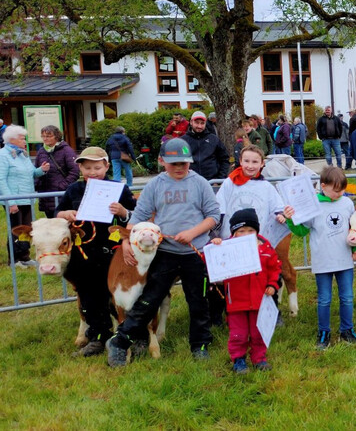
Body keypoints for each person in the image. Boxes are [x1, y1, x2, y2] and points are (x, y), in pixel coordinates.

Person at [106, 138, 221, 368]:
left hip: (193, 252)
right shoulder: (155, 185)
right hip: (165, 252)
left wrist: (192, 233)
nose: (179, 168)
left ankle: (200, 345)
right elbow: (138, 217)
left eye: (184, 164)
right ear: (162, 161)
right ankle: (120, 341)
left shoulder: (200, 183)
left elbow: (213, 216)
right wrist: (126, 241)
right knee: (149, 299)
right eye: (173, 164)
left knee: (198, 300)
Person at [54, 147, 137, 357]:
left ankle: (132, 335)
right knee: (89, 295)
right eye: (87, 167)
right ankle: (98, 337)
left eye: (97, 167)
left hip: (113, 251)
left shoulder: (119, 189)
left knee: (123, 294)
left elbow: (137, 215)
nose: (92, 172)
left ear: (106, 166)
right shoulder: (74, 190)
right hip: (83, 253)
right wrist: (66, 214)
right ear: (80, 167)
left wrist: (123, 212)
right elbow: (57, 213)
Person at [214, 145, 294, 327]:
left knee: (265, 278)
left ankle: (272, 312)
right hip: (233, 241)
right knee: (234, 281)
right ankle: (230, 313)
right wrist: (216, 233)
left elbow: (277, 208)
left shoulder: (266, 186)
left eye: (255, 162)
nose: (250, 165)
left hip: (258, 243)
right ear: (240, 162)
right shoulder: (229, 183)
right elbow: (219, 209)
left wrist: (282, 215)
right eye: (247, 161)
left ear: (262, 164)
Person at [286, 167, 356, 350]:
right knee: (324, 299)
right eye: (336, 190)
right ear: (323, 186)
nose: (340, 194)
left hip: (344, 260)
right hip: (323, 261)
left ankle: (347, 331)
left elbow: (352, 229)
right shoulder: (313, 205)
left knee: (347, 297)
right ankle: (324, 333)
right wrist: (290, 219)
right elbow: (301, 231)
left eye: (342, 190)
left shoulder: (346, 204)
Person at [209, 208, 282, 374]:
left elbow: (275, 268)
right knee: (238, 334)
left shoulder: (265, 248)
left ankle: (259, 358)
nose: (246, 234)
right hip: (236, 301)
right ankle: (238, 359)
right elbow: (210, 260)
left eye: (251, 230)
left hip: (259, 300)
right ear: (234, 232)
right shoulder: (226, 248)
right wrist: (214, 246)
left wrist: (272, 285)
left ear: (257, 230)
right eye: (241, 231)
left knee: (258, 332)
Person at [0, 125, 46, 266]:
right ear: (12, 139)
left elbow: (31, 173)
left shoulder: (23, 154)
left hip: (27, 198)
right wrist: (10, 202)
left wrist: (41, 170)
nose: (25, 141)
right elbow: (1, 179)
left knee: (26, 228)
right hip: (13, 199)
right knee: (15, 229)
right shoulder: (2, 155)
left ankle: (24, 257)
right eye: (22, 139)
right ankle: (13, 260)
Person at [33, 125, 78, 218]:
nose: (45, 139)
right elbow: (35, 169)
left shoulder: (66, 150)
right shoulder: (41, 151)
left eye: (48, 136)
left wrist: (61, 186)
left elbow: (75, 171)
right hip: (45, 195)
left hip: (61, 194)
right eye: (43, 136)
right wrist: (37, 183)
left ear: (57, 136)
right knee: (51, 223)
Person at [181, 111, 231, 181]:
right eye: (197, 122)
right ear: (191, 122)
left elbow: (224, 159)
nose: (199, 126)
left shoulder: (213, 139)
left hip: (211, 182)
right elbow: (177, 162)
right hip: (189, 182)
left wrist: (219, 179)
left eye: (202, 123)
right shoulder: (183, 141)